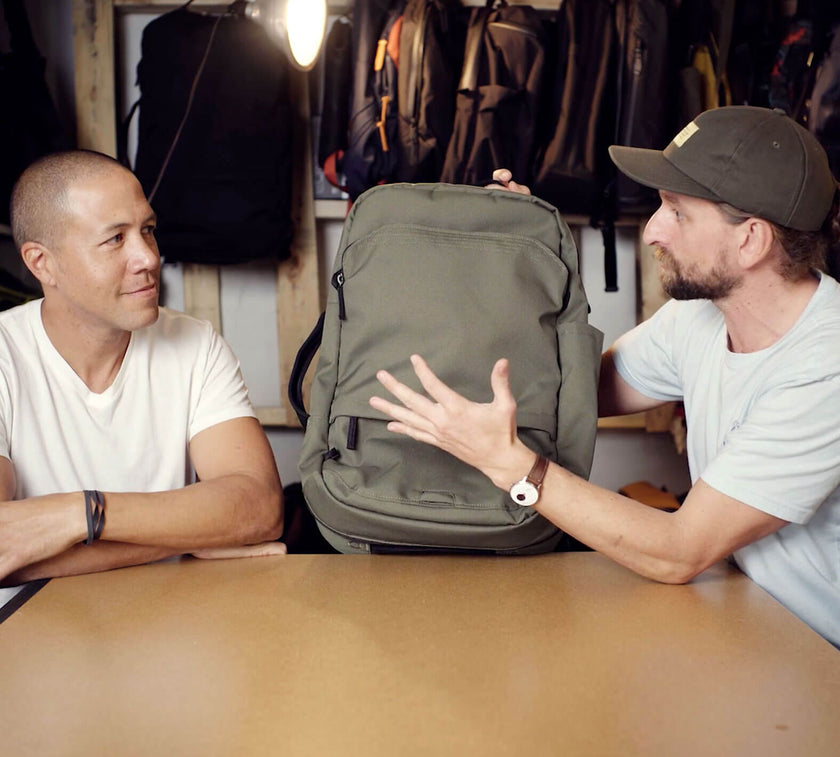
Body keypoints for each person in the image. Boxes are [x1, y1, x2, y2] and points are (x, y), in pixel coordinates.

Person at [370, 106, 840, 648]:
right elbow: (573, 391)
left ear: (751, 240)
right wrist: (518, 257)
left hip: (819, 659)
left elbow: (678, 551)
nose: (651, 232)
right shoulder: (702, 317)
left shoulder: (822, 369)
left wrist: (511, 465)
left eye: (676, 211)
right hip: (746, 622)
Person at [0, 150, 286, 586]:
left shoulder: (196, 344)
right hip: (29, 633)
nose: (149, 258)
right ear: (43, 263)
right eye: (115, 239)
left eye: (147, 231)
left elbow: (260, 507)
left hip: (174, 624)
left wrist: (80, 514)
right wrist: (180, 539)